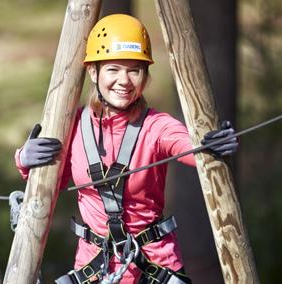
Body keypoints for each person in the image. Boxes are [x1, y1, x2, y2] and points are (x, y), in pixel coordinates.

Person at [15, 14, 238, 284]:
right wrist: (25, 161)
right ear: (94, 72)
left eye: (134, 70)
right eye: (114, 69)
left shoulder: (156, 126)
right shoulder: (71, 125)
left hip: (154, 268)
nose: (125, 80)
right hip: (93, 269)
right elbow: (55, 182)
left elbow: (189, 146)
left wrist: (210, 145)